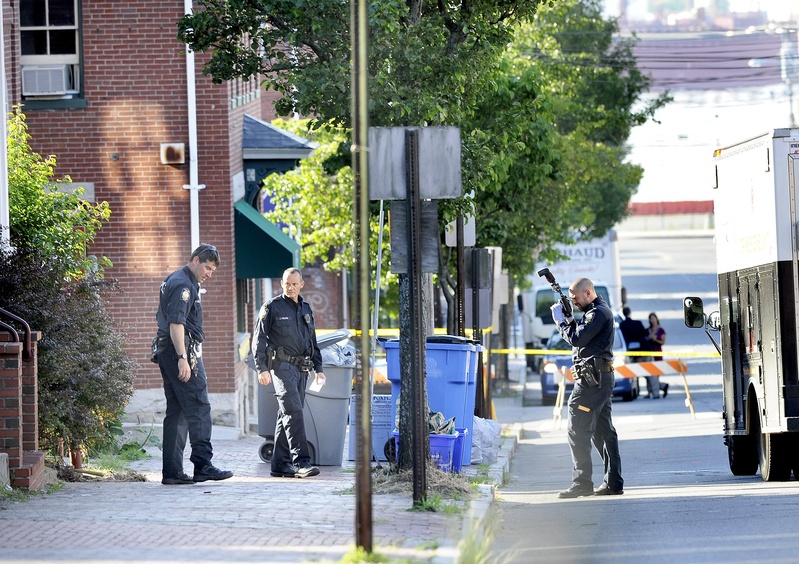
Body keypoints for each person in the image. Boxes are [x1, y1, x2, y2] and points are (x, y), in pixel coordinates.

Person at [154, 243, 233, 485]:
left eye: (213, 270)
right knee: (199, 406)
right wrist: (183, 359)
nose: (209, 274)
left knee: (177, 412)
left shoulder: (178, 279)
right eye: (207, 268)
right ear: (196, 260)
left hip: (169, 350)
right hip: (179, 350)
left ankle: (173, 472)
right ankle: (203, 465)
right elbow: (176, 324)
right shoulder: (183, 284)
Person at [551, 277, 624, 498]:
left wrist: (562, 323)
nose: (573, 301)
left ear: (589, 293)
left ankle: (582, 482)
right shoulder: (595, 312)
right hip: (599, 379)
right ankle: (613, 482)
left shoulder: (598, 313)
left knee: (578, 430)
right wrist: (571, 320)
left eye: (576, 297)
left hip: (592, 382)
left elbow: (577, 339)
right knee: (603, 432)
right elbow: (583, 336)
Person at [252, 267, 325, 479]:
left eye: (294, 284)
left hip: (302, 369)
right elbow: (259, 340)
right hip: (281, 367)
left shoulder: (306, 308)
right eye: (287, 284)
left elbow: (312, 341)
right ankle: (301, 461)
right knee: (293, 411)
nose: (290, 287)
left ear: (302, 284)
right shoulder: (272, 308)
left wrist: (318, 369)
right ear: (281, 284)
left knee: (287, 413)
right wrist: (261, 368)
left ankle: (280, 464)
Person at [645, 312, 669, 399]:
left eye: (653, 318)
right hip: (649, 353)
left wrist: (655, 339)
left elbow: (663, 342)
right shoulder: (648, 330)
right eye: (651, 319)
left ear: (656, 319)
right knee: (648, 372)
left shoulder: (661, 330)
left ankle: (657, 389)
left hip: (657, 352)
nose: (652, 320)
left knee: (656, 373)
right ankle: (650, 392)